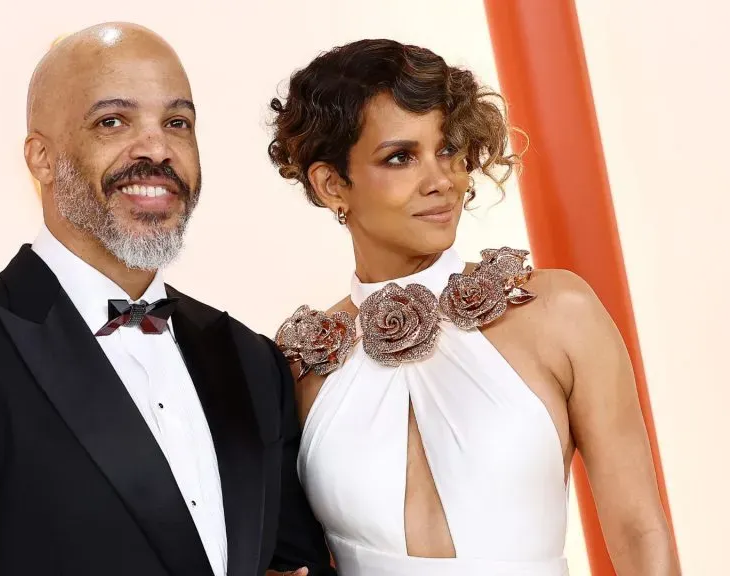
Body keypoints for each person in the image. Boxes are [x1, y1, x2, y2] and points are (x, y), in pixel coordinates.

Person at [0, 23, 333, 576]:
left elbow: (296, 564)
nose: (156, 148)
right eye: (113, 121)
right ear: (40, 158)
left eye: (177, 123)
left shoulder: (251, 358)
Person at [268, 39, 680, 576]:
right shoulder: (302, 365)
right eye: (400, 157)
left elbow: (639, 531)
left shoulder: (558, 312)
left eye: (447, 149)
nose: (441, 181)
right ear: (331, 185)